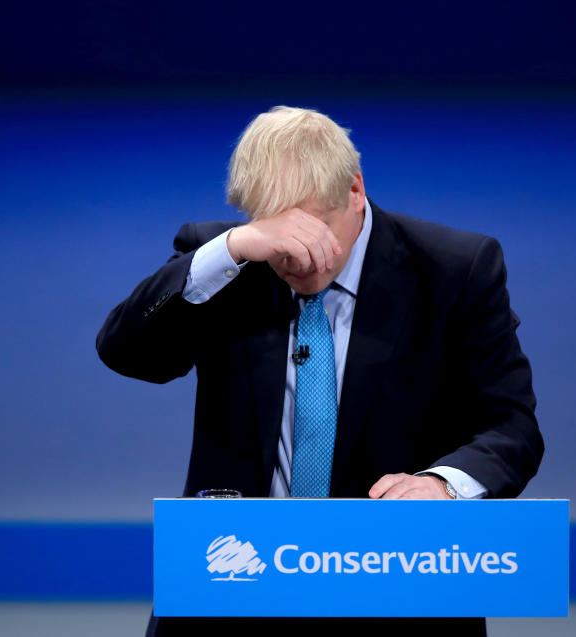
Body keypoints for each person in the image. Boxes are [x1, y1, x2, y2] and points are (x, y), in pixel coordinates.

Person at [97, 106, 543, 636]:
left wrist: (441, 485)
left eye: (316, 228)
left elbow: (512, 427)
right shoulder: (230, 264)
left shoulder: (454, 269)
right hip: (233, 594)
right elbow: (128, 352)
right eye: (278, 229)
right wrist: (235, 247)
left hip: (395, 592)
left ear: (355, 190)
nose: (299, 255)